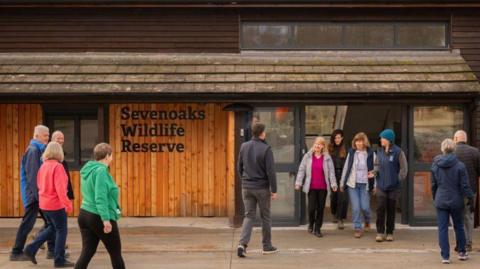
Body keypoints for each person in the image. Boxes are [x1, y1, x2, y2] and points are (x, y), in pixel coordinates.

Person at [75, 143, 125, 269]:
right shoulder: (101, 171)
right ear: (107, 156)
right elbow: (100, 197)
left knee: (87, 252)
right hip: (98, 215)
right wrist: (106, 219)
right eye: (112, 155)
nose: (112, 158)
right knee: (115, 253)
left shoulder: (88, 169)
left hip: (84, 214)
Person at [23, 142, 74, 267]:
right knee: (61, 230)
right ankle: (59, 260)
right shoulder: (58, 167)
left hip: (44, 204)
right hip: (55, 205)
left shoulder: (43, 166)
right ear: (59, 152)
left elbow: (39, 185)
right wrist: (67, 204)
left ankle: (31, 248)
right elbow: (61, 189)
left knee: (52, 227)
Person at [10, 125, 53, 261]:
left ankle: (49, 248)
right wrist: (40, 196)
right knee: (29, 223)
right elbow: (33, 177)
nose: (48, 137)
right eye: (45, 135)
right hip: (34, 195)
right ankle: (17, 252)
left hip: (37, 195)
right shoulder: (33, 151)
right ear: (37, 136)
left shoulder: (38, 150)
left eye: (48, 135)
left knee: (50, 222)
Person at [237, 123, 278, 258]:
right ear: (262, 133)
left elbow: (239, 167)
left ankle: (242, 245)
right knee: (265, 217)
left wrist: (244, 180)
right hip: (261, 188)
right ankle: (267, 246)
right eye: (265, 131)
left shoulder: (244, 146)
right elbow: (271, 172)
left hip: (247, 187)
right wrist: (274, 189)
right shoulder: (266, 149)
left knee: (249, 216)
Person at [431, 138, 474, 264]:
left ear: (442, 149)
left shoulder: (435, 164)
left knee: (442, 228)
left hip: (441, 200)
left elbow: (433, 185)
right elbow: (465, 186)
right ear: (453, 149)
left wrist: (435, 197)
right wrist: (470, 198)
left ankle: (445, 256)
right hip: (456, 200)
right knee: (459, 226)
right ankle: (462, 252)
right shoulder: (460, 165)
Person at [295, 137, 338, 237]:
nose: (317, 146)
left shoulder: (327, 158)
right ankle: (311, 223)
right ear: (313, 145)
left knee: (320, 209)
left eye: (320, 144)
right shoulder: (308, 156)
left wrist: (334, 184)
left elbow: (331, 172)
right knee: (311, 208)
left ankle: (317, 228)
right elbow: (301, 170)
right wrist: (298, 182)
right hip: (311, 187)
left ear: (323, 146)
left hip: (323, 188)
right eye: (316, 144)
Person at [373, 129, 408, 242]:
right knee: (380, 208)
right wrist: (374, 172)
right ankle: (379, 232)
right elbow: (377, 165)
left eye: (382, 138)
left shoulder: (398, 152)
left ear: (388, 139)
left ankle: (389, 232)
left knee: (391, 210)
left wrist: (397, 179)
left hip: (393, 187)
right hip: (381, 186)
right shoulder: (379, 151)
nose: (381, 140)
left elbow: (404, 169)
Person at [340, 132, 374, 238]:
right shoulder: (351, 153)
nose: (359, 143)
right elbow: (346, 168)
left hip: (365, 184)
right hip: (352, 184)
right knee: (356, 207)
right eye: (357, 141)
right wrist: (342, 182)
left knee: (365, 207)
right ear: (355, 142)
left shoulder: (371, 153)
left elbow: (375, 170)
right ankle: (358, 228)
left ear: (365, 142)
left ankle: (367, 220)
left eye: (361, 141)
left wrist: (375, 185)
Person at [453, 130, 480, 252]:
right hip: (470, 190)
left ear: (455, 138)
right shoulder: (475, 152)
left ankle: (460, 243)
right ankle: (468, 243)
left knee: (456, 216)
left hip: (455, 191)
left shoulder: (451, 152)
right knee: (468, 217)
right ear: (466, 139)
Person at [328, 129, 348, 229]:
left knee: (342, 197)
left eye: (338, 137)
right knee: (333, 196)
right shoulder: (330, 148)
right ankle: (334, 213)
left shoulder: (345, 148)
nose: (337, 139)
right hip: (332, 174)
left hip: (343, 174)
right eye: (335, 137)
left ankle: (340, 219)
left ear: (342, 138)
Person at [51, 131, 74, 201]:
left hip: (63, 194)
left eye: (62, 138)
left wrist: (69, 194)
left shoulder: (62, 154)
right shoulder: (50, 155)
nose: (61, 140)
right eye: (58, 138)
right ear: (52, 140)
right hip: (55, 196)